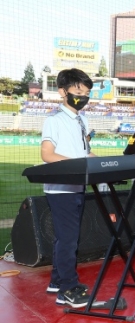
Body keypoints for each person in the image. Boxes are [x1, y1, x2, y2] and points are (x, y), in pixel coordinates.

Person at [41, 68, 94, 308]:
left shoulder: (83, 120)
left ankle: (56, 281)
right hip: (61, 189)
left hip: (77, 186)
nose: (83, 96)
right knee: (69, 240)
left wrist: (104, 161)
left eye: (87, 92)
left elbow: (84, 152)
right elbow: (47, 154)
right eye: (78, 91)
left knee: (66, 238)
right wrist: (77, 164)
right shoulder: (54, 119)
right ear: (62, 92)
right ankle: (67, 289)